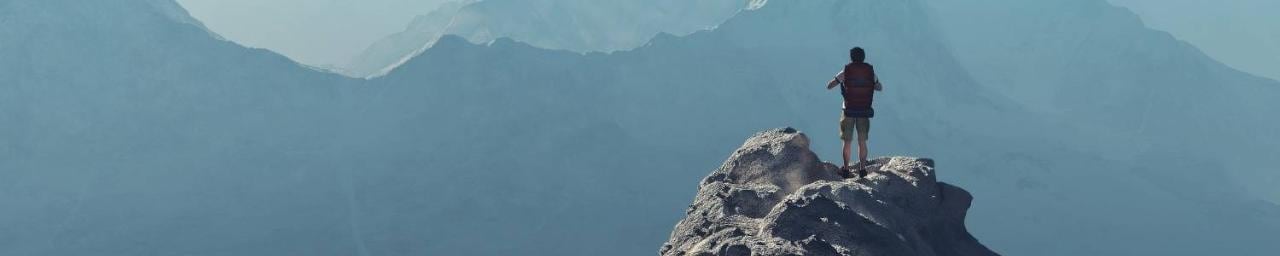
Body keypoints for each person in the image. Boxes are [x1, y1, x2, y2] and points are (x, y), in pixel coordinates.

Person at [826, 47, 882, 177]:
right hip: (864, 110)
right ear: (863, 57)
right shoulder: (869, 72)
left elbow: (829, 86)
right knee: (862, 141)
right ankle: (862, 169)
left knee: (847, 141)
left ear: (851, 57)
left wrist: (838, 82)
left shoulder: (847, 70)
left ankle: (846, 169)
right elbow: (880, 87)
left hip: (848, 110)